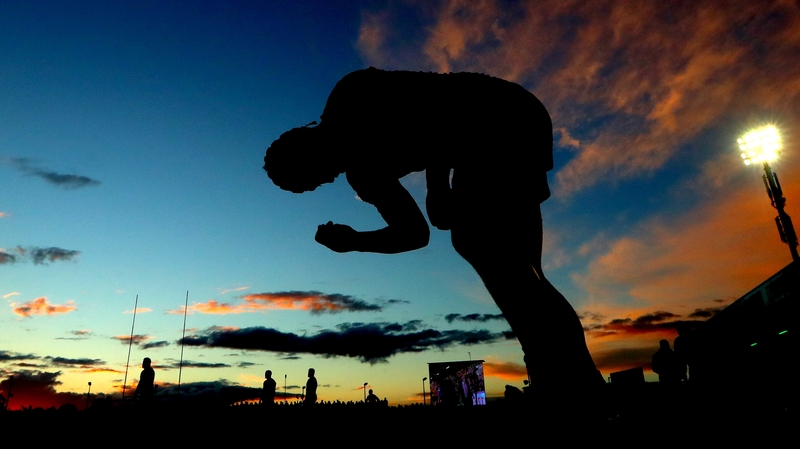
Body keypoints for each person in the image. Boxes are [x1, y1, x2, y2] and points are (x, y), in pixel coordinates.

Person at [264, 67, 603, 396]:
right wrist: (354, 242)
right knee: (520, 273)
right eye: (319, 183)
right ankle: (567, 380)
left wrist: (437, 187)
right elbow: (414, 234)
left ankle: (572, 386)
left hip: (500, 111)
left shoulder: (351, 95)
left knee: (481, 245)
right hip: (490, 135)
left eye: (316, 174)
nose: (329, 178)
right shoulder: (363, 175)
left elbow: (440, 110)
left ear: (305, 141)